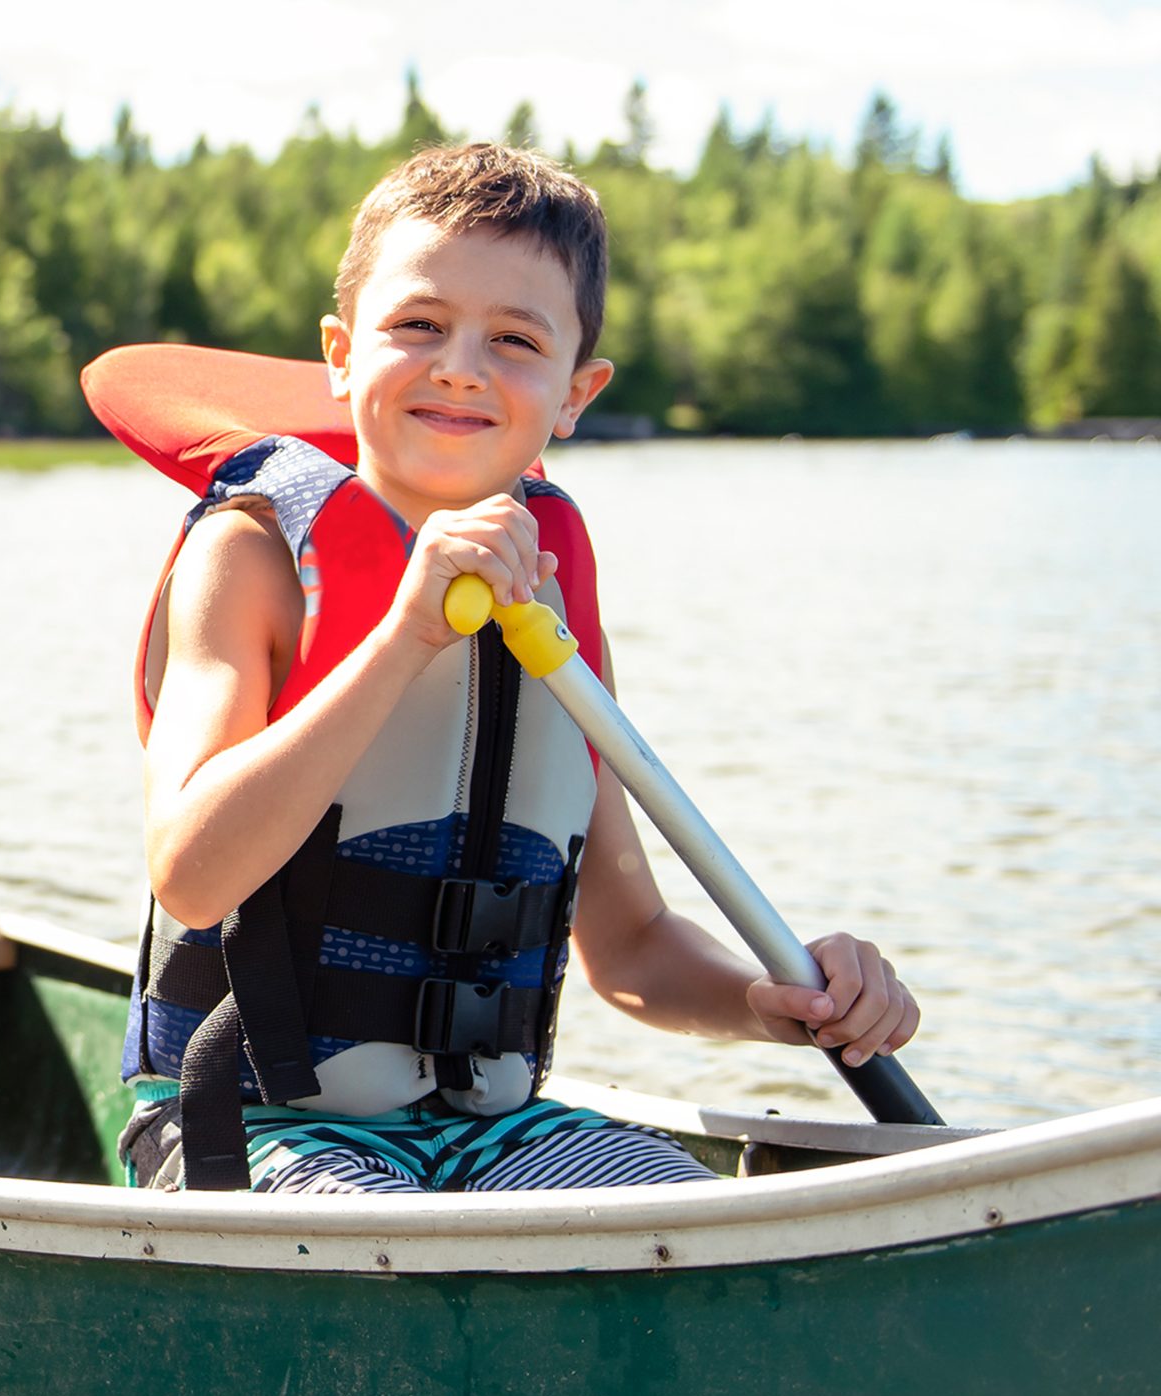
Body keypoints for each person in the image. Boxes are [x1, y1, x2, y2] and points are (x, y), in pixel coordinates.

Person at [109, 143, 919, 1194]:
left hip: (492, 1134)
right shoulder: (251, 560)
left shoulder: (556, 603)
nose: (460, 367)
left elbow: (631, 949)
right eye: (418, 324)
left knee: (699, 1224)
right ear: (341, 354)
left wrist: (773, 1004)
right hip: (247, 1119)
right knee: (383, 1246)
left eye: (514, 340)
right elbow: (191, 870)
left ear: (576, 393)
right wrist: (402, 636)